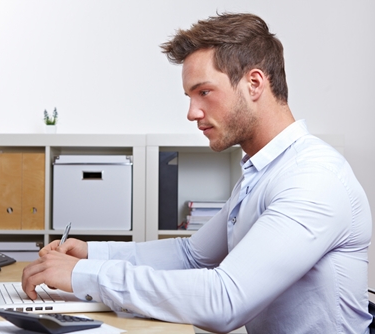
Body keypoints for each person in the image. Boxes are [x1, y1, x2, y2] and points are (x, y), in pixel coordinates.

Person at [22, 13, 372, 333]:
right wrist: (93, 255)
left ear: (254, 84)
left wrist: (86, 276)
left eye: (204, 92)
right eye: (190, 96)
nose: (192, 112)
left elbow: (225, 300)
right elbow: (192, 256)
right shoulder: (264, 171)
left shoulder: (313, 179)